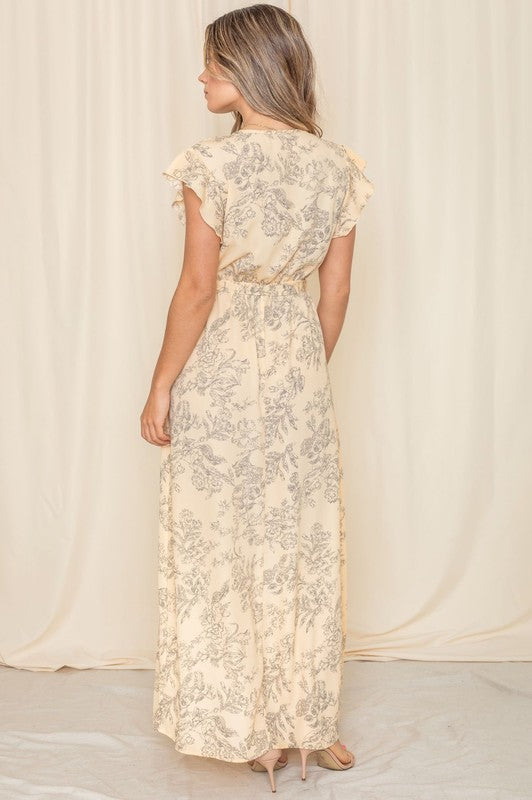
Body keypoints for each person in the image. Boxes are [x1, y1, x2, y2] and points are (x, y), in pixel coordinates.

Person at [140, 3, 374, 792]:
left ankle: (247, 728)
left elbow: (198, 290)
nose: (200, 77)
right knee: (298, 540)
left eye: (210, 63)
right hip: (299, 367)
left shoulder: (215, 166)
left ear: (247, 70)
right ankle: (311, 723)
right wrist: (301, 367)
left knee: (223, 541)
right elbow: (333, 297)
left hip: (220, 367)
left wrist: (162, 386)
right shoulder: (337, 165)